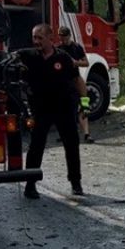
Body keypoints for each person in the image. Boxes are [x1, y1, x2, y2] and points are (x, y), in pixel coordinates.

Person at [19, 24, 82, 197]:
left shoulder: (64, 58)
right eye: (34, 37)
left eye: (40, 38)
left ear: (50, 38)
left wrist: (84, 104)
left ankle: (76, 183)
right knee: (36, 146)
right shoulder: (27, 56)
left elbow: (77, 80)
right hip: (41, 109)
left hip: (63, 107)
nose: (36, 41)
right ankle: (30, 185)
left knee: (71, 144)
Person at [57, 27, 94, 143]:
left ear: (69, 36)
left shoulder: (77, 47)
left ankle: (87, 134)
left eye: (64, 37)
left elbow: (86, 63)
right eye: (60, 37)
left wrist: (75, 62)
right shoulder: (58, 49)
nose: (62, 39)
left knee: (85, 106)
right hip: (64, 82)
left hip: (76, 80)